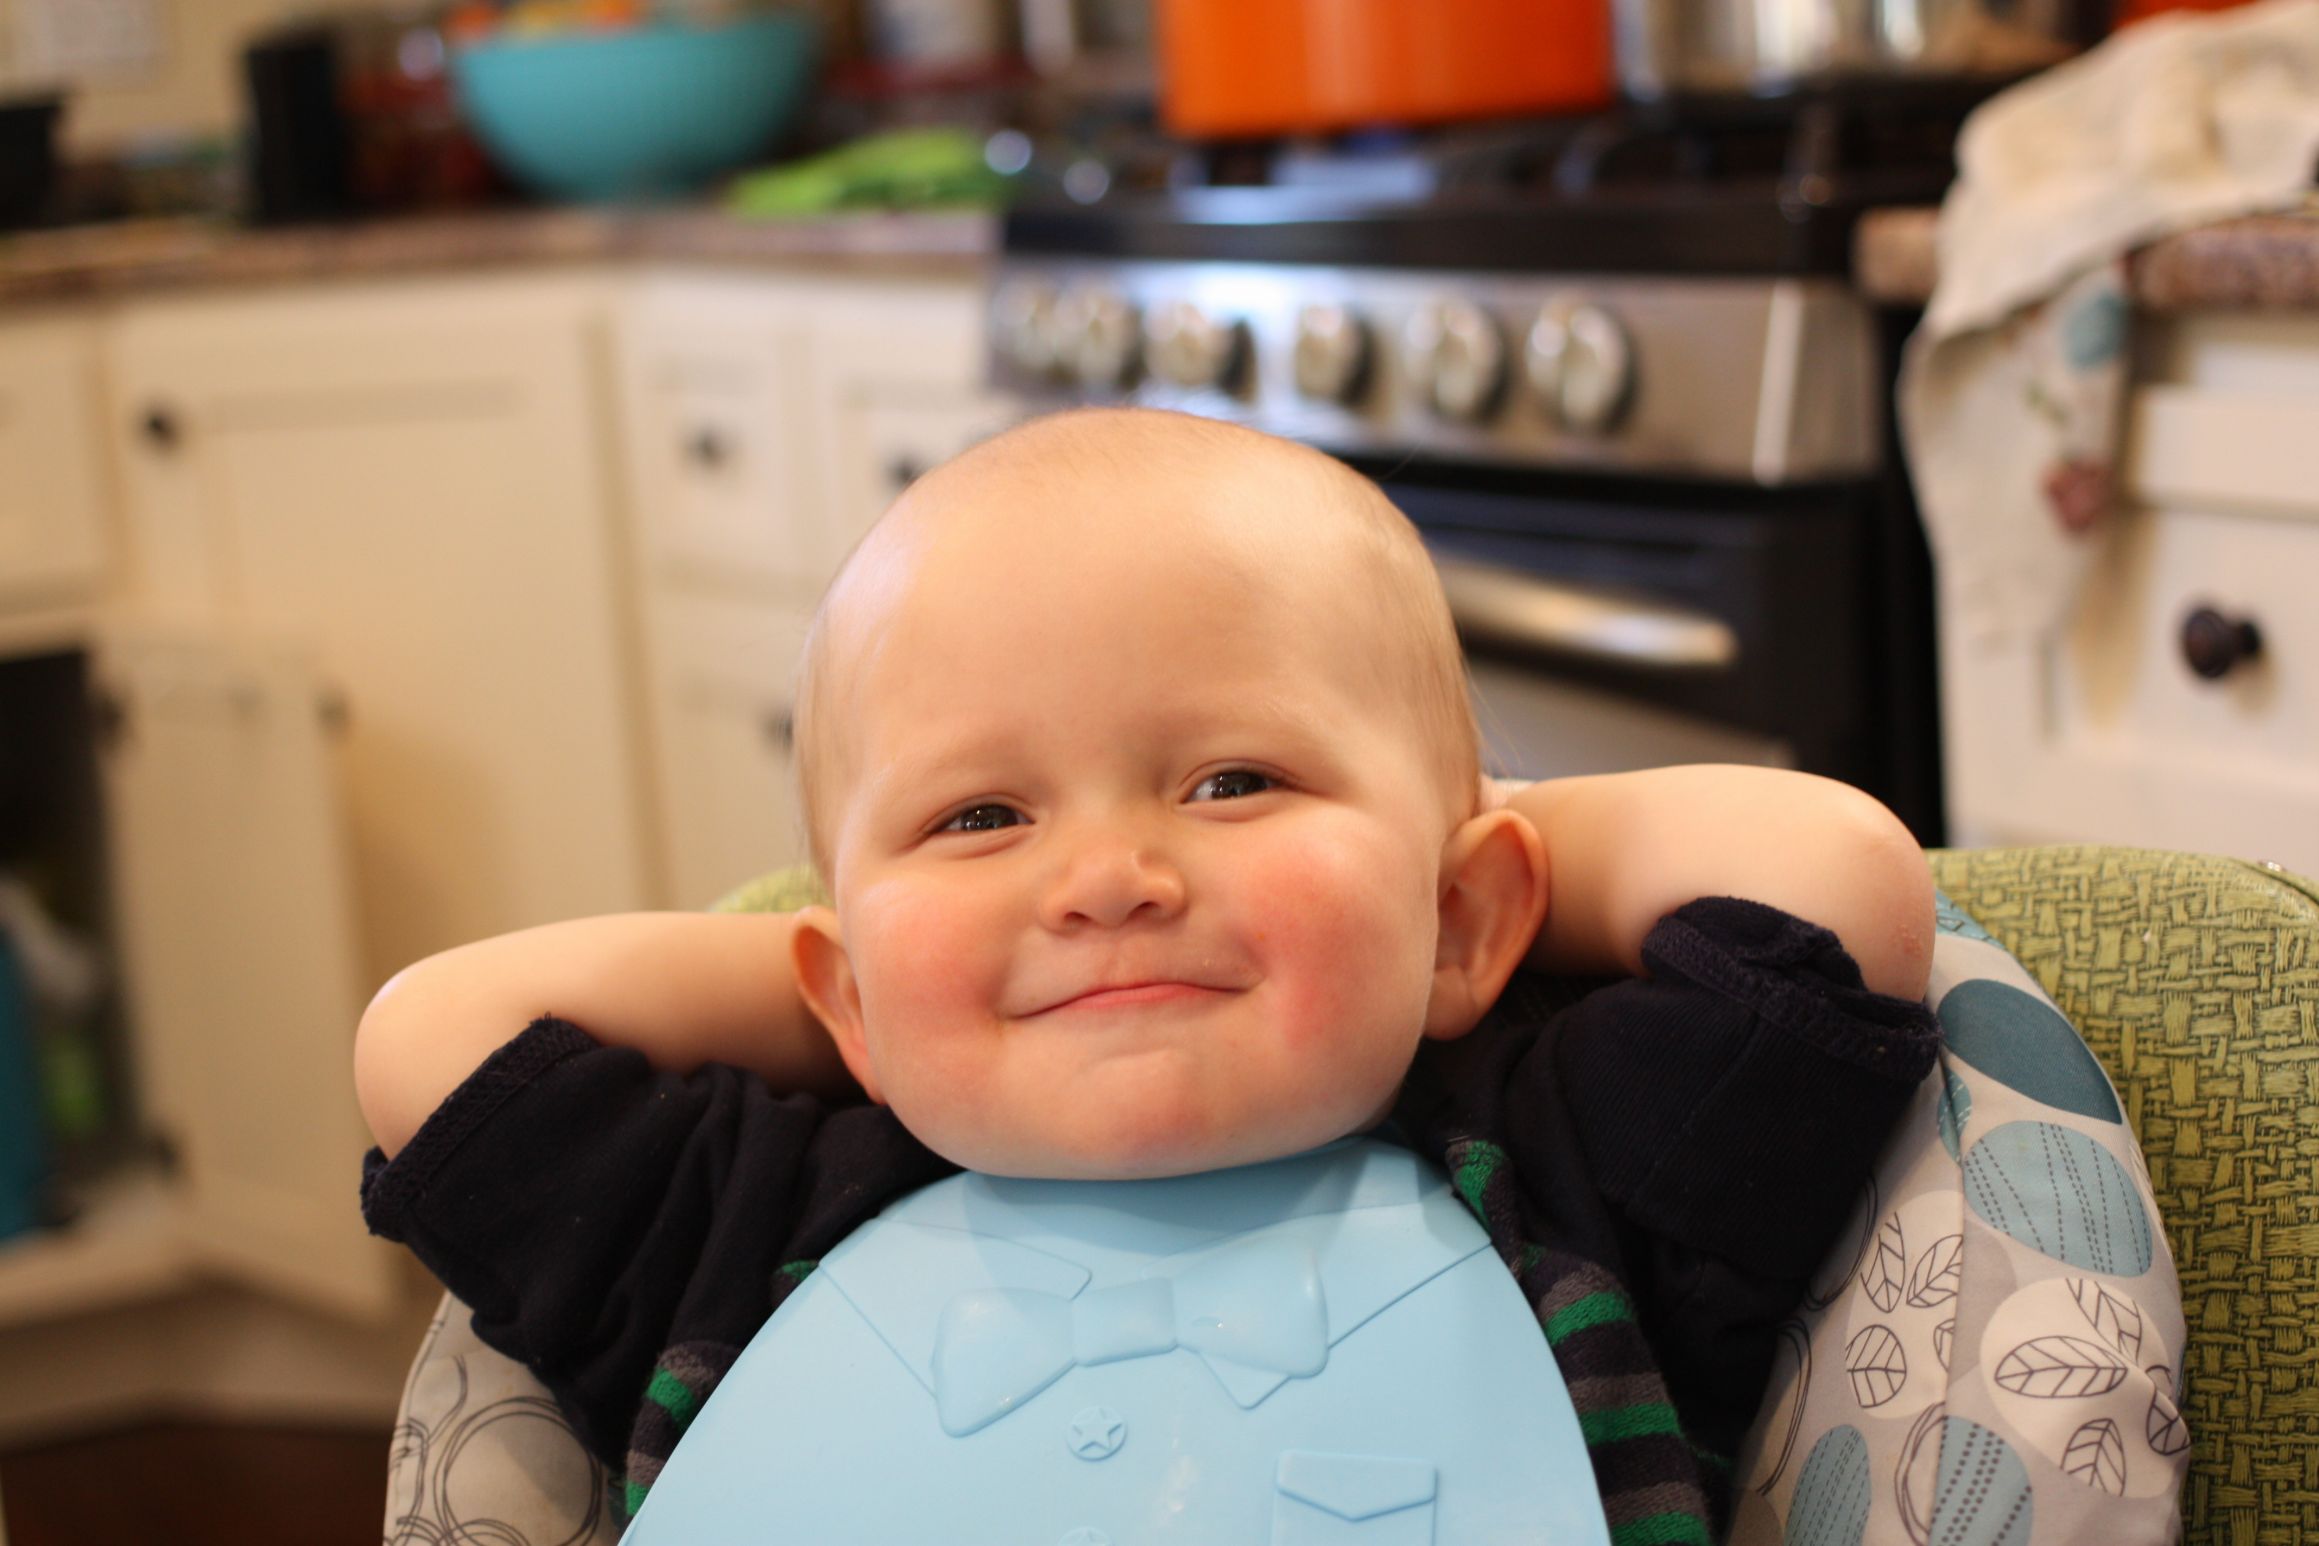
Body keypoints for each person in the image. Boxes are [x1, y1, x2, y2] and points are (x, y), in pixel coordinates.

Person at [355, 408, 1939, 1539]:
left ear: (1468, 918)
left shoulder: (1560, 1164)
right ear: (841, 1002)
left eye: (1235, 782)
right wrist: (870, 990)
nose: (1109, 876)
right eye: (982, 816)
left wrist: (1435, 862)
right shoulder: (749, 1220)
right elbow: (433, 1037)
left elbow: (1838, 882)